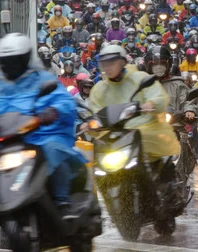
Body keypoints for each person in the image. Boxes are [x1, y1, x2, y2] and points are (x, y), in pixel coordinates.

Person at [0, 33, 86, 219]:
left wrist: (53, 111)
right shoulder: (2, 85)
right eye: (5, 61)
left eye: (13, 61)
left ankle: (63, 201)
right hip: (11, 137)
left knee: (52, 150)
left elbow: (65, 101)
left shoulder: (43, 79)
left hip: (43, 133)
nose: (9, 66)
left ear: (24, 59)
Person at [88, 45, 180, 160]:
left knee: (154, 158)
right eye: (104, 64)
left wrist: (151, 104)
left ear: (122, 62)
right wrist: (89, 124)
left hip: (143, 131)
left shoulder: (140, 78)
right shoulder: (99, 89)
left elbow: (159, 97)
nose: (108, 67)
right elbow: (95, 112)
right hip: (114, 136)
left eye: (111, 63)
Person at [145, 46, 197, 121]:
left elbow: (187, 101)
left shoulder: (178, 84)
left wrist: (189, 110)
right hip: (148, 126)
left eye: (162, 64)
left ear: (168, 65)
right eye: (155, 64)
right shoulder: (143, 85)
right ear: (149, 66)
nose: (159, 67)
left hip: (175, 125)